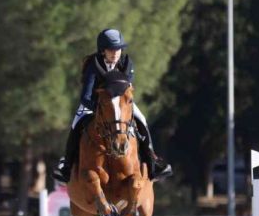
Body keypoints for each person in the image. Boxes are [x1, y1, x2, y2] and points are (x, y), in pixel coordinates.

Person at [52, 29, 173, 183]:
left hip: (121, 105)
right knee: (76, 124)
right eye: (111, 49)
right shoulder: (92, 66)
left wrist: (119, 107)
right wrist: (99, 108)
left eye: (118, 49)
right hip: (94, 104)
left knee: (142, 119)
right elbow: (86, 95)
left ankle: (153, 161)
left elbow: (126, 92)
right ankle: (66, 165)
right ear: (103, 51)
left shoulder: (126, 64)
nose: (115, 53)